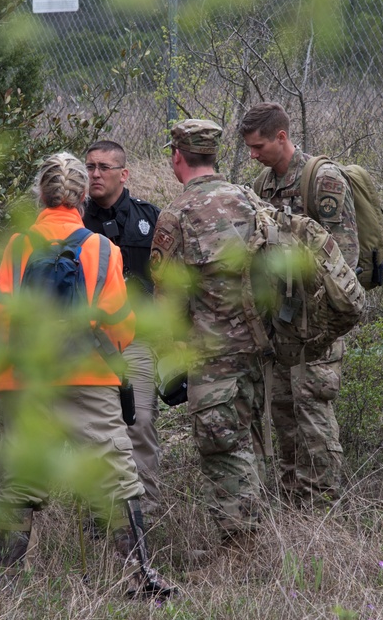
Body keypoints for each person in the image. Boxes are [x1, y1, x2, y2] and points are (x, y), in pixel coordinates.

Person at [0, 153, 176, 599]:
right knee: (118, 477)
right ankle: (139, 579)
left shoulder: (16, 247)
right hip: (89, 378)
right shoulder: (100, 248)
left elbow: (1, 321)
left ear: (41, 193)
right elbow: (121, 326)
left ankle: (2, 588)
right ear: (78, 198)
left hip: (28, 380)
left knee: (21, 482)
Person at [150, 120, 267, 550]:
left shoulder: (177, 215)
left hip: (212, 356)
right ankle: (261, 534)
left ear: (177, 156)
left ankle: (242, 550)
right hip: (256, 350)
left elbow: (166, 300)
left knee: (222, 449)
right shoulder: (249, 199)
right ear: (213, 155)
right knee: (250, 441)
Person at [239, 101, 358, 507]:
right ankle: (294, 503)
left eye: (259, 146)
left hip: (318, 325)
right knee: (284, 415)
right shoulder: (262, 188)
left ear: (282, 137)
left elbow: (345, 261)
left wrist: (320, 326)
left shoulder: (322, 180)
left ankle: (322, 508)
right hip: (281, 325)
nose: (253, 155)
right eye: (249, 148)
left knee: (314, 417)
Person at [81, 140, 164, 519]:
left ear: (124, 174)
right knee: (94, 433)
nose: (95, 174)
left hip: (136, 341)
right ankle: (103, 516)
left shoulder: (151, 219)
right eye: (90, 167)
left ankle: (141, 517)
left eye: (104, 167)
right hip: (86, 345)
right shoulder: (75, 221)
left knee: (140, 421)